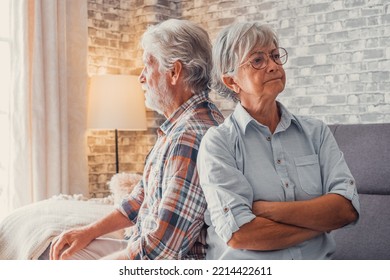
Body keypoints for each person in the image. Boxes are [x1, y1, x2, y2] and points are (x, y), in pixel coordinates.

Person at [44, 19, 224, 260]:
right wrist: (89, 232)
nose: (141, 77)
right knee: (56, 248)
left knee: (56, 258)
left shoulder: (190, 137)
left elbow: (161, 249)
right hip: (139, 247)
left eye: (147, 66)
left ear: (174, 72)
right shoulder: (179, 127)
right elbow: (140, 198)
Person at [196, 22, 360, 260]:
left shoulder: (317, 132)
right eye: (258, 60)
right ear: (232, 82)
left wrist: (267, 210)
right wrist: (319, 223)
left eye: (275, 56)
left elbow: (346, 210)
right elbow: (241, 234)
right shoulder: (218, 143)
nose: (273, 66)